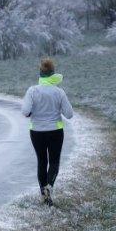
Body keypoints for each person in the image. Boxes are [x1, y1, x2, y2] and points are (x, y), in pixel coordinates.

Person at [21, 57, 74, 206]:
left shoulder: (32, 91)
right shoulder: (59, 92)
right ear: (53, 73)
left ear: (40, 73)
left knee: (42, 161)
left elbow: (25, 111)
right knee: (54, 161)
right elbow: (69, 114)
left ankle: (44, 196)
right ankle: (49, 186)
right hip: (55, 131)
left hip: (36, 132)